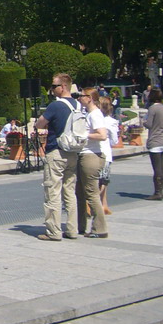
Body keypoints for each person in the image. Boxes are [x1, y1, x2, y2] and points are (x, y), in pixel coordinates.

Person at [35, 73, 82, 241]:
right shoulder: (77, 104)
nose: (52, 89)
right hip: (73, 152)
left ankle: (54, 231)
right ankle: (72, 229)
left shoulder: (55, 106)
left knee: (52, 191)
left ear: (63, 87)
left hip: (56, 151)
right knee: (70, 192)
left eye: (54, 86)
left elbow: (39, 123)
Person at [75, 88, 108, 239]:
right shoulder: (89, 113)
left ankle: (100, 228)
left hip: (91, 156)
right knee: (80, 192)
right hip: (85, 155)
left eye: (81, 95)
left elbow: (102, 135)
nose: (79, 98)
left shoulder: (95, 114)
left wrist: (84, 135)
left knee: (91, 193)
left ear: (89, 98)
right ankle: (80, 225)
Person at [143, 88, 163, 200]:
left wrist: (143, 122)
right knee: (161, 167)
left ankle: (158, 192)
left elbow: (149, 124)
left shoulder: (152, 108)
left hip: (154, 139)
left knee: (157, 168)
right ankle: (160, 190)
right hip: (162, 139)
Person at [97, 96, 119, 217]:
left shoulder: (94, 119)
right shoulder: (111, 122)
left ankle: (104, 204)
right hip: (106, 154)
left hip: (95, 153)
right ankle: (95, 203)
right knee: (103, 181)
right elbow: (115, 141)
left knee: (99, 181)